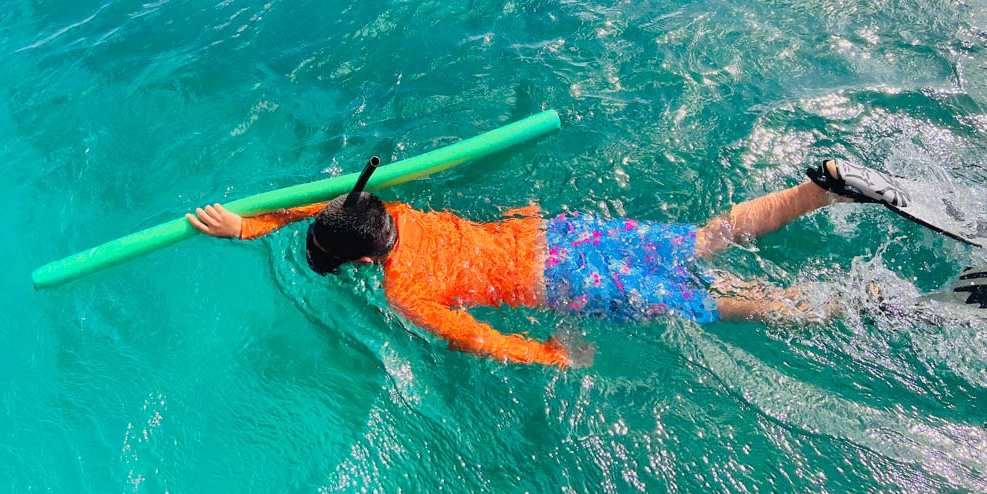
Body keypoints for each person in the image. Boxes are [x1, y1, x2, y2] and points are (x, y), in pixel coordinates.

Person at [186, 158, 907, 367]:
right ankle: (821, 188)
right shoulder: (399, 213)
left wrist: (549, 354)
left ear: (362, 261)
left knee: (719, 303)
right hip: (561, 234)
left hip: (557, 281)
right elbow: (326, 206)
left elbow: (481, 338)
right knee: (704, 241)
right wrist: (249, 223)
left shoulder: (408, 290)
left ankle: (871, 304)